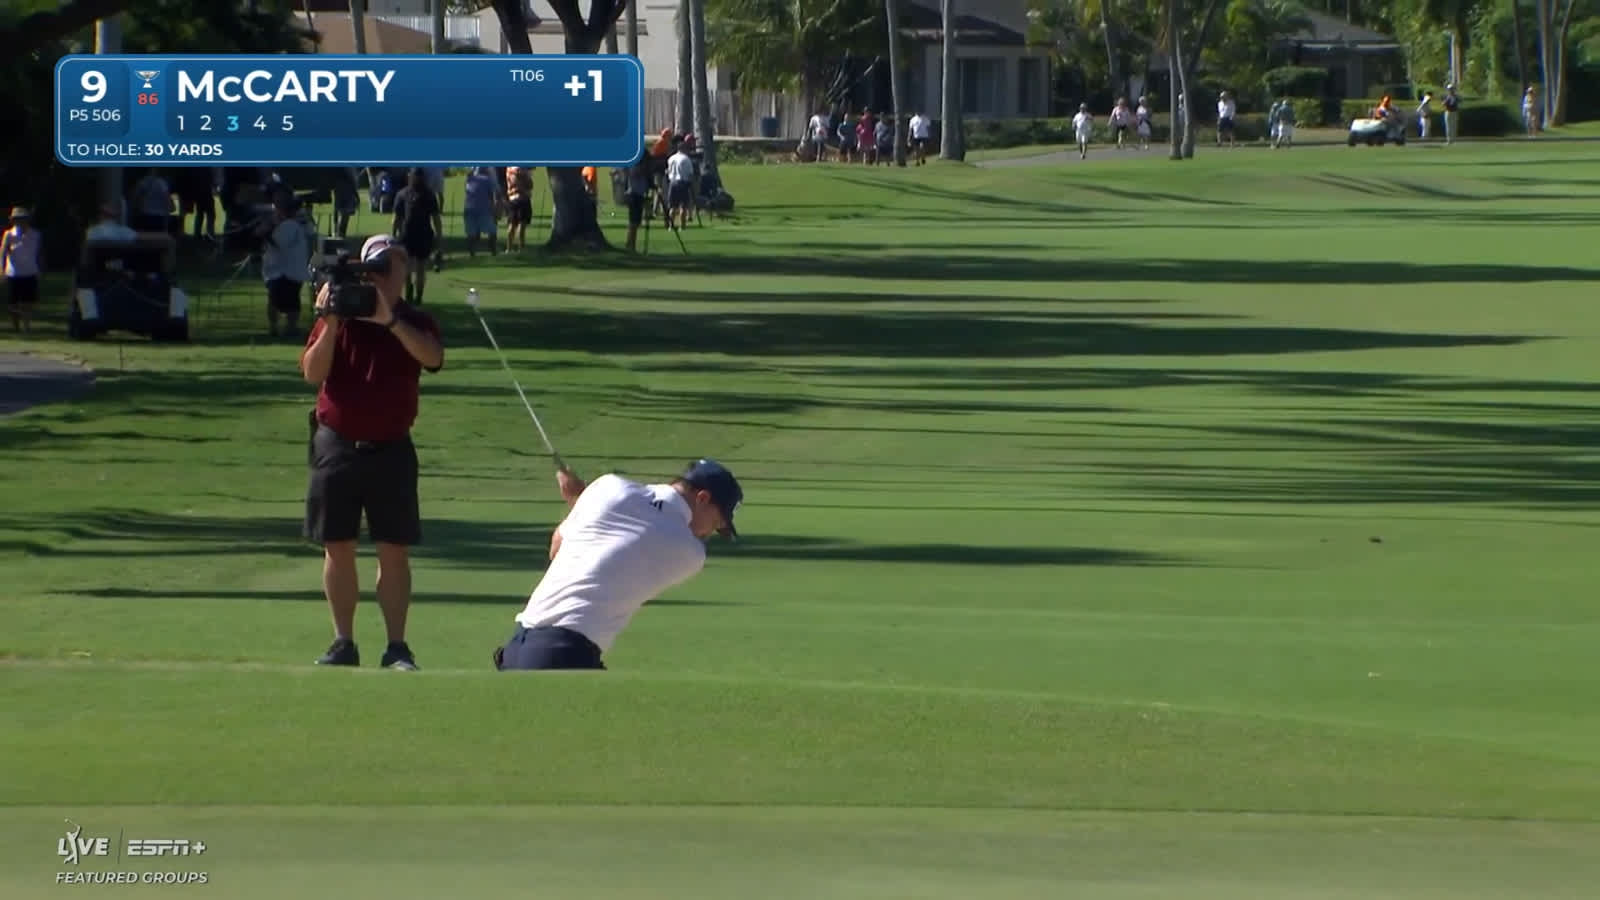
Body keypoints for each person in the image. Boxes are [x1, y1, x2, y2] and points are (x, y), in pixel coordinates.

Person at [300, 234, 445, 670]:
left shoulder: (414, 320)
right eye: (376, 270)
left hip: (391, 448)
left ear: (403, 272)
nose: (385, 277)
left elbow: (432, 358)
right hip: (337, 443)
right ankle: (343, 641)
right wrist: (330, 324)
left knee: (393, 549)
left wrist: (391, 321)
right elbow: (312, 373)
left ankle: (396, 646)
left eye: (392, 268)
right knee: (337, 546)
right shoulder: (339, 319)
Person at [494, 459, 744, 671]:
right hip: (563, 653)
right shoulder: (690, 553)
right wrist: (580, 502)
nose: (711, 532)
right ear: (702, 498)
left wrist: (582, 503)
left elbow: (557, 548)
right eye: (717, 522)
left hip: (517, 646)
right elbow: (642, 534)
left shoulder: (607, 487)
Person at [258, 194, 313, 337]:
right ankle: (279, 327)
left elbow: (280, 243)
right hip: (285, 268)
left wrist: (266, 234)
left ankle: (287, 327)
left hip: (284, 270)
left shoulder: (290, 225)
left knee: (283, 300)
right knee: (287, 300)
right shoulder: (297, 224)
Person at [390, 168, 441, 305]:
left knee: (416, 268)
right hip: (411, 235)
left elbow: (396, 219)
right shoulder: (426, 194)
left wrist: (393, 235)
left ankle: (414, 294)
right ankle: (413, 293)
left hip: (418, 235)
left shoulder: (423, 195)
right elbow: (396, 218)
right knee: (414, 267)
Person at [2, 207, 42, 334]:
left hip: (30, 271)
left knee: (28, 302)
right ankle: (16, 326)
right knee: (12, 303)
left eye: (22, 219)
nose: (19, 222)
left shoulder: (35, 234)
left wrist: (40, 268)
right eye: (17, 219)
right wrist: (1, 269)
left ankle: (26, 327)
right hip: (14, 272)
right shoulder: (9, 234)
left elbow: (39, 253)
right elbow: (2, 252)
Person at [461, 166, 500, 257]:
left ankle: (472, 254)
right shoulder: (487, 180)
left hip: (469, 208)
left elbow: (467, 191)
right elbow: (492, 195)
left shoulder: (470, 179)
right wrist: (494, 209)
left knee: (471, 234)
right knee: (492, 231)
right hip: (483, 209)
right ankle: (493, 250)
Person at [623, 154, 653, 253]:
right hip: (634, 194)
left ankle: (631, 243)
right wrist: (646, 170)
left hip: (640, 194)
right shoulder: (634, 166)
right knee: (633, 222)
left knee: (636, 222)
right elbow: (636, 173)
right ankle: (630, 244)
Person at [665, 137, 695, 230]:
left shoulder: (671, 158)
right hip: (682, 183)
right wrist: (691, 184)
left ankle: (671, 225)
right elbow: (690, 174)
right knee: (683, 206)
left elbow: (668, 171)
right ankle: (682, 226)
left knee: (673, 207)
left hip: (672, 182)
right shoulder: (686, 159)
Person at [504, 165, 533, 252]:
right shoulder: (522, 170)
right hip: (523, 198)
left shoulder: (509, 169)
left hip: (512, 199)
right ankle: (521, 248)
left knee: (512, 224)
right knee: (522, 224)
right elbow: (530, 184)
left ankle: (508, 248)